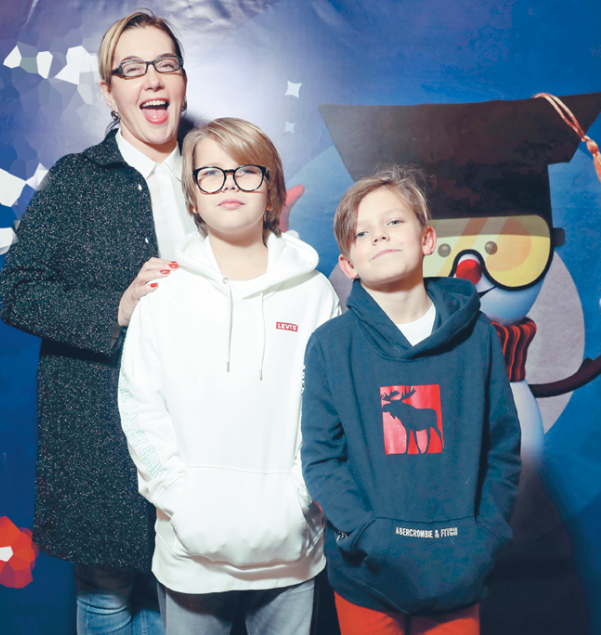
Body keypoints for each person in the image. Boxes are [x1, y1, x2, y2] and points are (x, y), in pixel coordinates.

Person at [0, 10, 195, 634]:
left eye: (165, 64)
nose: (152, 79)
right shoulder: (75, 180)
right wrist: (115, 307)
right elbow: (16, 292)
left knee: (188, 596)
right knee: (108, 596)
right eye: (131, 69)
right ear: (109, 92)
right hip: (100, 435)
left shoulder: (214, 174)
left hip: (197, 426)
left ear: (183, 81)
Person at [118, 117, 340, 635]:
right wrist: (182, 501)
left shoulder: (314, 294)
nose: (229, 185)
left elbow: (330, 414)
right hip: (189, 555)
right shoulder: (163, 295)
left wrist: (299, 500)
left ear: (271, 191)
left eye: (246, 171)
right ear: (192, 198)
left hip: (291, 553)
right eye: (211, 174)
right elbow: (140, 406)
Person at [300, 166, 522, 635]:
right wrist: (366, 533)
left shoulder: (479, 337)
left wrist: (484, 534)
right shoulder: (329, 345)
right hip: (366, 576)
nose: (379, 236)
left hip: (458, 569)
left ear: (427, 239)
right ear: (348, 264)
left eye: (394, 222)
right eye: (362, 233)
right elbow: (321, 457)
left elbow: (502, 447)